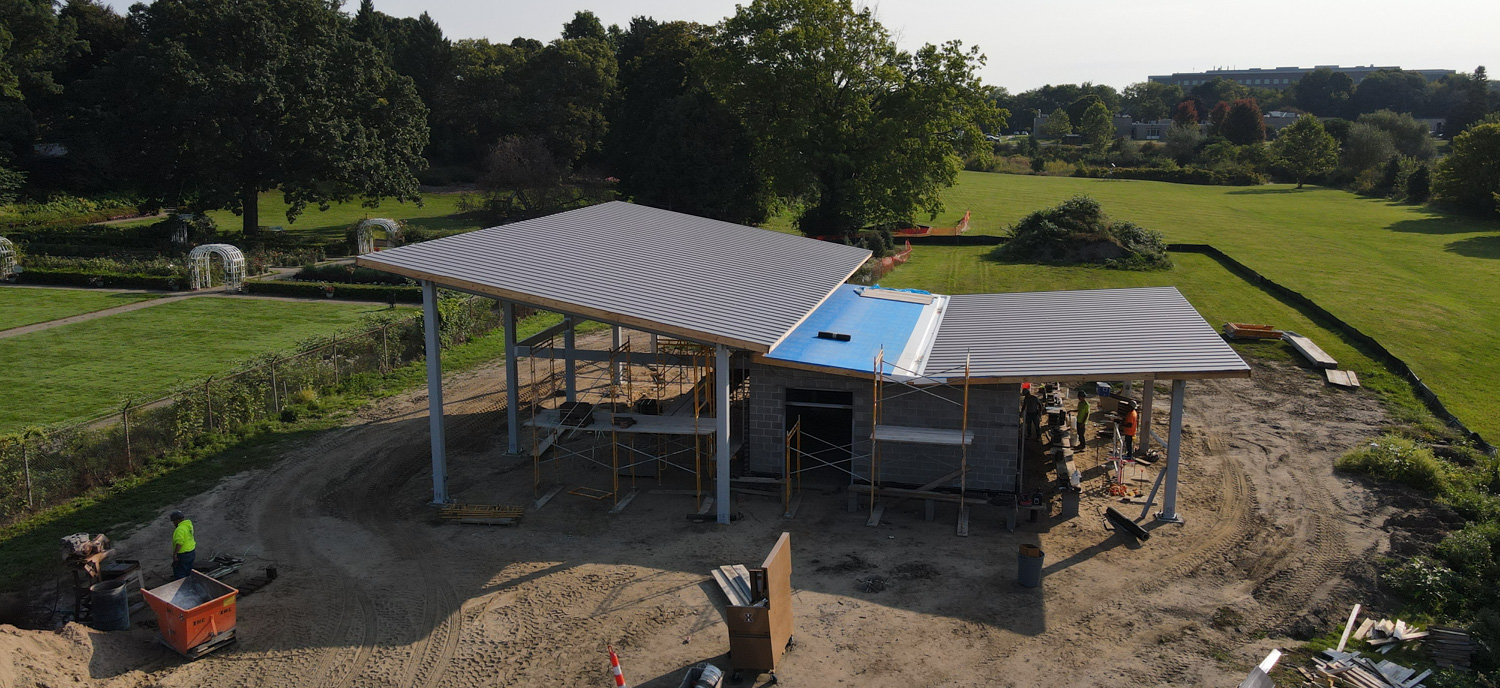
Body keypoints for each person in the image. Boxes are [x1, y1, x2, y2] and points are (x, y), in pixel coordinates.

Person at [169, 510, 196, 580]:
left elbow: (179, 543)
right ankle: (190, 585)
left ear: (177, 520)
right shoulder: (188, 525)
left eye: (174, 521)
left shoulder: (179, 529)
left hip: (183, 555)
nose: (173, 523)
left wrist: (175, 554)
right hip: (191, 551)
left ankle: (182, 587)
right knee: (189, 571)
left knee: (180, 573)